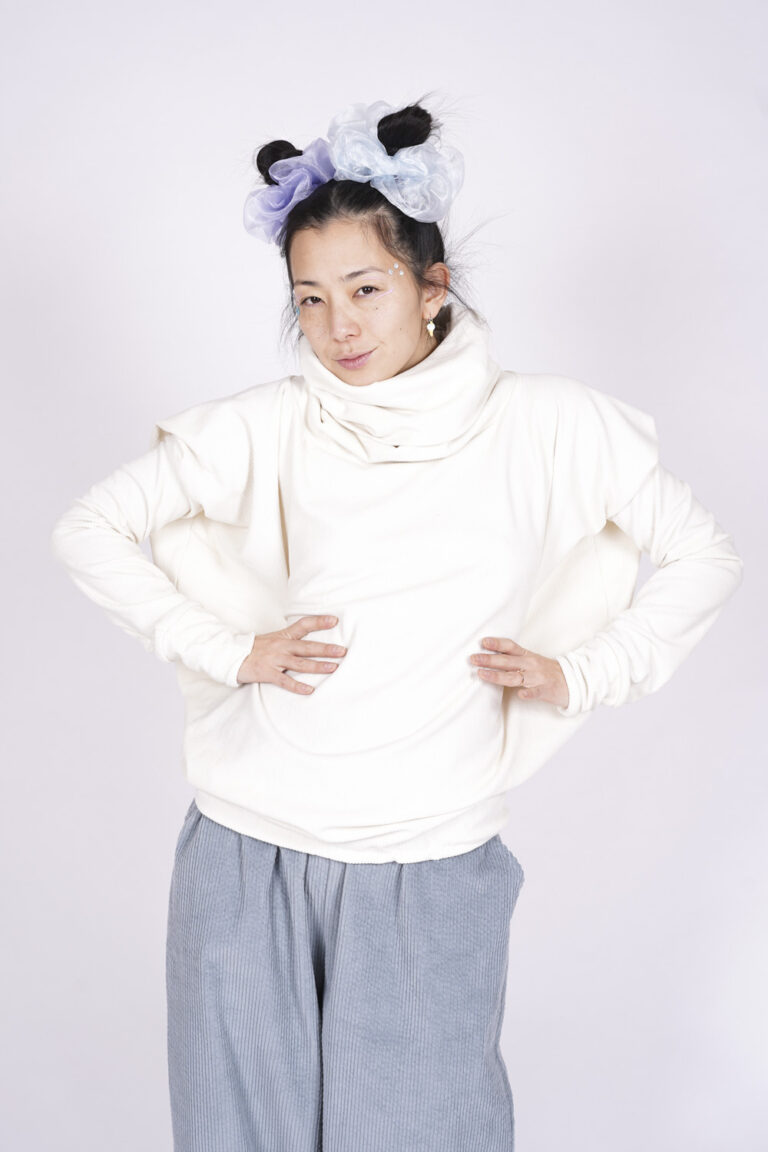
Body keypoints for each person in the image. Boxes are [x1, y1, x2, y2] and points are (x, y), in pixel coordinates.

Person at [50, 97, 744, 1152]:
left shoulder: (549, 426)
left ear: (433, 286)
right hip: (245, 853)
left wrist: (583, 672)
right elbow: (89, 528)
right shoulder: (269, 425)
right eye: (311, 298)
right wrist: (230, 652)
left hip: (431, 861)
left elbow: (704, 555)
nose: (340, 325)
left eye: (366, 289)